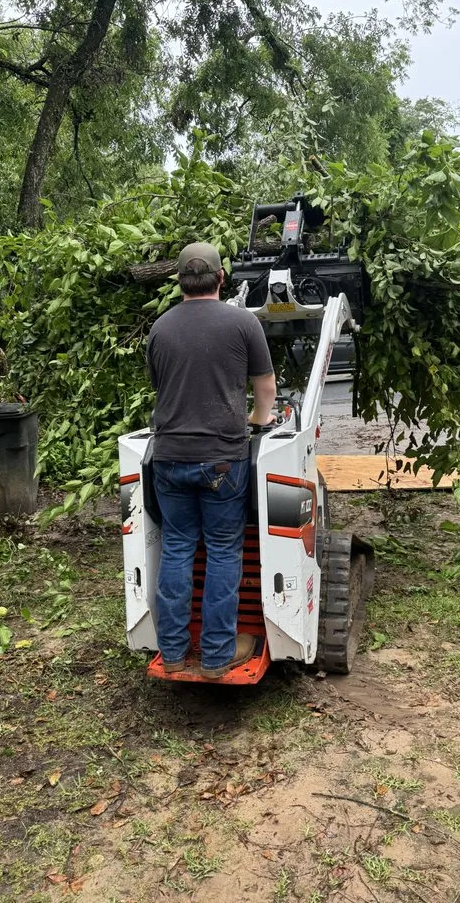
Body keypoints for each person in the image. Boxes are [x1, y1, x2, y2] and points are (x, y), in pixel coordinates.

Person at [146, 242, 277, 678]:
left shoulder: (160, 329)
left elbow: (161, 386)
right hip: (223, 461)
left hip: (168, 459)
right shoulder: (243, 323)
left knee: (177, 548)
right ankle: (218, 656)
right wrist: (258, 422)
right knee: (222, 550)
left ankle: (174, 652)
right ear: (222, 278)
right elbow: (266, 391)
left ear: (179, 280)